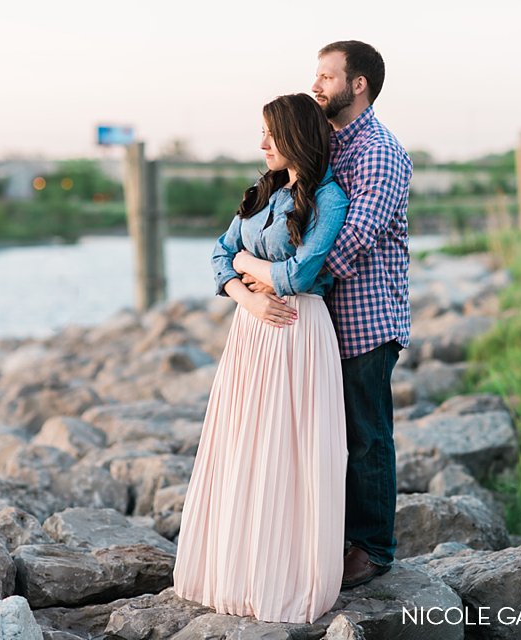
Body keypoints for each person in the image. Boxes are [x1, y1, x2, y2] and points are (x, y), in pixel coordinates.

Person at [173, 93, 349, 624]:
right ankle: (235, 569)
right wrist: (246, 295)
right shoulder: (261, 192)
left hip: (297, 331)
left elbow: (298, 274)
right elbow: (215, 253)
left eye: (271, 133)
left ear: (295, 136)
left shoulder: (329, 198)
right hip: (252, 327)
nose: (262, 143)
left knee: (286, 449)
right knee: (242, 443)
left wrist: (247, 261)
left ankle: (282, 576)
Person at [245, 41, 413, 589]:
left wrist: (288, 277)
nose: (316, 85)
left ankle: (372, 548)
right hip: (312, 321)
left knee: (366, 435)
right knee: (321, 435)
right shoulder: (328, 144)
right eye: (315, 75)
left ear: (357, 84)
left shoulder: (379, 152)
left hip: (363, 317)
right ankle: (324, 538)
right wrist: (261, 277)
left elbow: (354, 236)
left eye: (326, 76)